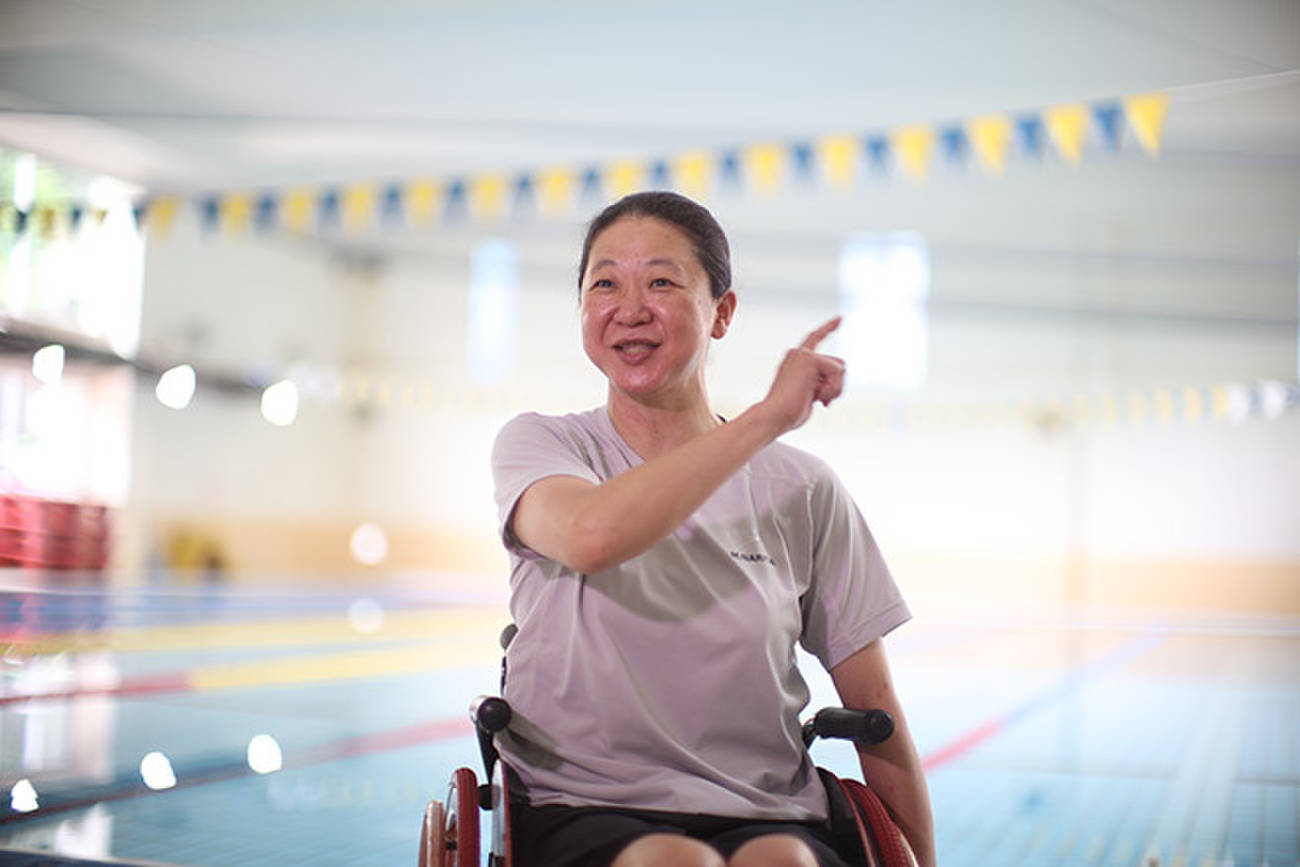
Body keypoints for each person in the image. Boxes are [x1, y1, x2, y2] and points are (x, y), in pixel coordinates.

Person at [491, 191, 934, 867]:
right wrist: (766, 420)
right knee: (673, 861)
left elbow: (876, 710)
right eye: (604, 283)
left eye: (661, 282)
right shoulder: (544, 447)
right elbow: (592, 536)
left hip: (769, 812)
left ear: (721, 312)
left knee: (784, 862)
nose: (629, 308)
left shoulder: (803, 488)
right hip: (579, 804)